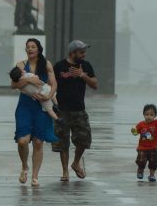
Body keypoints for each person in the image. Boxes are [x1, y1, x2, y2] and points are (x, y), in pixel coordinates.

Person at [11, 38, 58, 187]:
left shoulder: (47, 64)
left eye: (33, 47)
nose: (30, 49)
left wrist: (48, 96)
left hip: (41, 106)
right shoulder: (21, 65)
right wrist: (30, 81)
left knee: (38, 142)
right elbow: (13, 84)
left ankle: (35, 176)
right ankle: (25, 166)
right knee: (22, 140)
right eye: (28, 47)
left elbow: (53, 84)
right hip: (25, 106)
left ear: (38, 49)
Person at [53, 40, 98, 181]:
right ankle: (65, 171)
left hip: (79, 110)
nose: (84, 55)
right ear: (72, 53)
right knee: (62, 142)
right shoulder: (60, 66)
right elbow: (51, 84)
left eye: (84, 52)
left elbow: (95, 85)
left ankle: (76, 162)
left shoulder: (86, 66)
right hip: (62, 110)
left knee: (84, 139)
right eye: (81, 52)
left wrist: (82, 75)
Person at [131, 104, 157, 182]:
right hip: (142, 148)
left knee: (153, 163)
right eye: (146, 114)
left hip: (153, 148)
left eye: (151, 115)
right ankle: (140, 170)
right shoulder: (141, 124)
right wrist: (133, 131)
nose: (148, 116)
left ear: (155, 115)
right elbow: (135, 132)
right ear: (143, 114)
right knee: (141, 161)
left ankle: (152, 175)